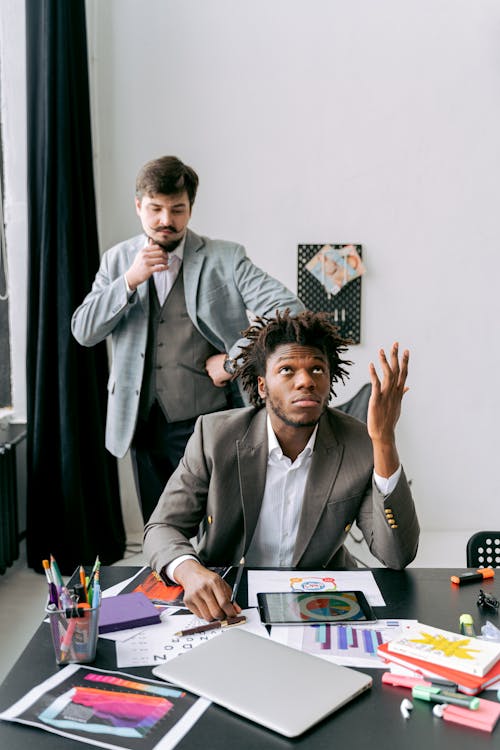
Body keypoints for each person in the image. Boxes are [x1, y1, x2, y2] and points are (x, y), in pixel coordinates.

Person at [143, 310, 420, 621]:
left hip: (321, 598)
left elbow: (397, 556)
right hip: (229, 599)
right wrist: (189, 571)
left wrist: (384, 441)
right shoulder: (215, 436)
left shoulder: (359, 441)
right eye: (287, 370)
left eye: (317, 369)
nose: (305, 381)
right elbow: (162, 527)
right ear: (262, 386)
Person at [71, 156, 304, 522]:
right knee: (159, 524)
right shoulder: (117, 262)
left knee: (216, 527)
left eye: (177, 209)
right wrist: (129, 281)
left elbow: (289, 309)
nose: (166, 220)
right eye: (155, 209)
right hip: (142, 422)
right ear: (138, 206)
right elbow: (83, 330)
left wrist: (234, 360)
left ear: (190, 209)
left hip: (207, 422)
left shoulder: (224, 258)